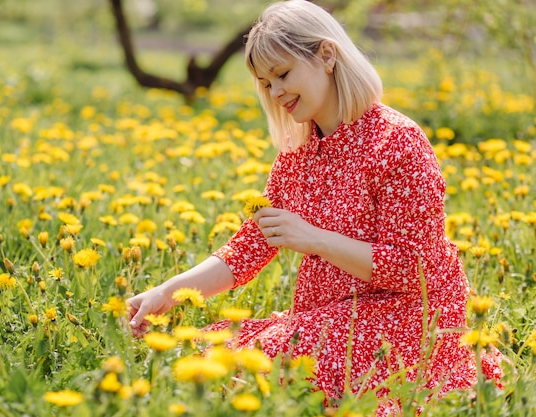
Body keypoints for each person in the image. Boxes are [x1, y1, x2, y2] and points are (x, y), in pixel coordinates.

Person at [128, 0, 503, 412]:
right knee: (206, 356)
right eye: (266, 82)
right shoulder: (297, 152)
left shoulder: (397, 143)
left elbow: (414, 268)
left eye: (283, 74)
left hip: (408, 318)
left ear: (326, 55)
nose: (276, 93)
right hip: (332, 318)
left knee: (253, 369)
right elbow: (249, 248)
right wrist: (167, 292)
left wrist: (316, 240)